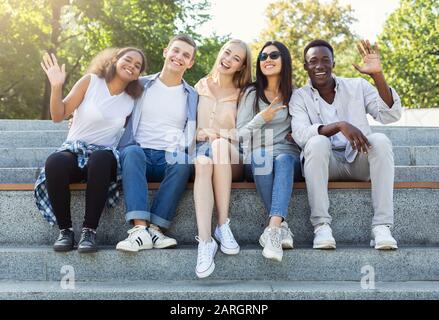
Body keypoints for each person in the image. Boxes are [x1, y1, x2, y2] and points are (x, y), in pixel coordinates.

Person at [290, 39, 402, 250]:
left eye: (325, 60)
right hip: (325, 164)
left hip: (358, 161)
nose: (319, 65)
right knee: (316, 142)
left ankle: (381, 227)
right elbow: (301, 134)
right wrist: (340, 125)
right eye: (313, 61)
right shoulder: (299, 97)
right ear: (305, 66)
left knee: (381, 140)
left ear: (333, 62)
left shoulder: (357, 86)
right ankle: (321, 226)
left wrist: (378, 75)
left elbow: (390, 115)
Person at [35, 47, 146, 253]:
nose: (131, 66)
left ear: (139, 74)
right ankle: (65, 231)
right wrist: (56, 86)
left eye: (137, 66)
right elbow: (59, 115)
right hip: (75, 150)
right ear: (115, 59)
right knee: (55, 161)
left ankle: (89, 232)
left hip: (103, 160)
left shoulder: (133, 100)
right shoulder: (91, 82)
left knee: (101, 157)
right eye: (128, 60)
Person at [115, 34, 198, 252]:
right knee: (132, 153)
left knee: (183, 162)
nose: (179, 57)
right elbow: (111, 102)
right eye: (176, 50)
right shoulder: (140, 85)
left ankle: (156, 230)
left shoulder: (192, 95)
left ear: (190, 63)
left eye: (186, 55)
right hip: (138, 153)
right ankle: (139, 231)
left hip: (168, 157)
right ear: (166, 52)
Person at [237, 41, 301, 262]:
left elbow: (305, 125)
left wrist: (298, 133)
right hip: (257, 154)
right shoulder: (250, 93)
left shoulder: (296, 94)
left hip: (288, 154)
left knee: (283, 159)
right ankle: (280, 227)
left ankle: (273, 228)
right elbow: (239, 134)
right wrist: (261, 118)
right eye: (263, 57)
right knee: (261, 157)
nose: (268, 60)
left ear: (285, 60)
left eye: (274, 55)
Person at [193, 39, 252, 278]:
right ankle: (206, 242)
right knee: (202, 164)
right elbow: (189, 125)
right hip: (201, 151)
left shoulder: (244, 93)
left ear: (241, 66)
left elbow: (246, 131)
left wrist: (218, 135)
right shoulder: (199, 86)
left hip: (232, 154)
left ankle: (223, 223)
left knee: (218, 145)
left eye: (236, 58)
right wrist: (199, 134)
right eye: (226, 53)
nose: (228, 60)